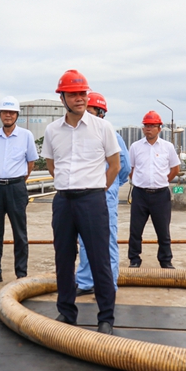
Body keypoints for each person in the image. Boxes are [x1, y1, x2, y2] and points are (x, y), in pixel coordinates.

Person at [41, 70, 120, 335]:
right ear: (62, 98)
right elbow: (52, 165)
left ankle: (106, 317)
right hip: (64, 201)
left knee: (99, 259)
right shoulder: (52, 131)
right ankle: (66, 311)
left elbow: (115, 165)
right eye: (73, 94)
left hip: (92, 200)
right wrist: (68, 185)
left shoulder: (102, 128)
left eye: (83, 93)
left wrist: (96, 189)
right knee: (64, 258)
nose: (80, 98)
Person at [75, 92, 130, 296]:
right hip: (83, 194)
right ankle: (85, 282)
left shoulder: (112, 136)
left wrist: (111, 185)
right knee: (84, 239)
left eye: (90, 112)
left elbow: (124, 166)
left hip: (105, 194)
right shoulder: (78, 136)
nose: (86, 117)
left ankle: (107, 286)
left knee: (106, 240)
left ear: (101, 114)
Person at [0, 96, 38, 285]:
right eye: (5, 112)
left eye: (12, 112)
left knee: (19, 232)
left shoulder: (26, 136)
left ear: (17, 115)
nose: (8, 115)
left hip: (16, 188)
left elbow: (31, 163)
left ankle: (21, 273)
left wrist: (18, 181)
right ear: (0, 114)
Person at [128, 111, 180, 269]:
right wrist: (139, 181)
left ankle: (165, 260)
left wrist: (163, 180)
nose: (148, 129)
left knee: (163, 231)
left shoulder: (167, 147)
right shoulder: (135, 147)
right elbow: (131, 169)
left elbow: (175, 169)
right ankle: (134, 259)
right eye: (146, 126)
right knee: (135, 230)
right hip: (140, 194)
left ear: (159, 128)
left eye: (152, 126)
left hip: (161, 195)